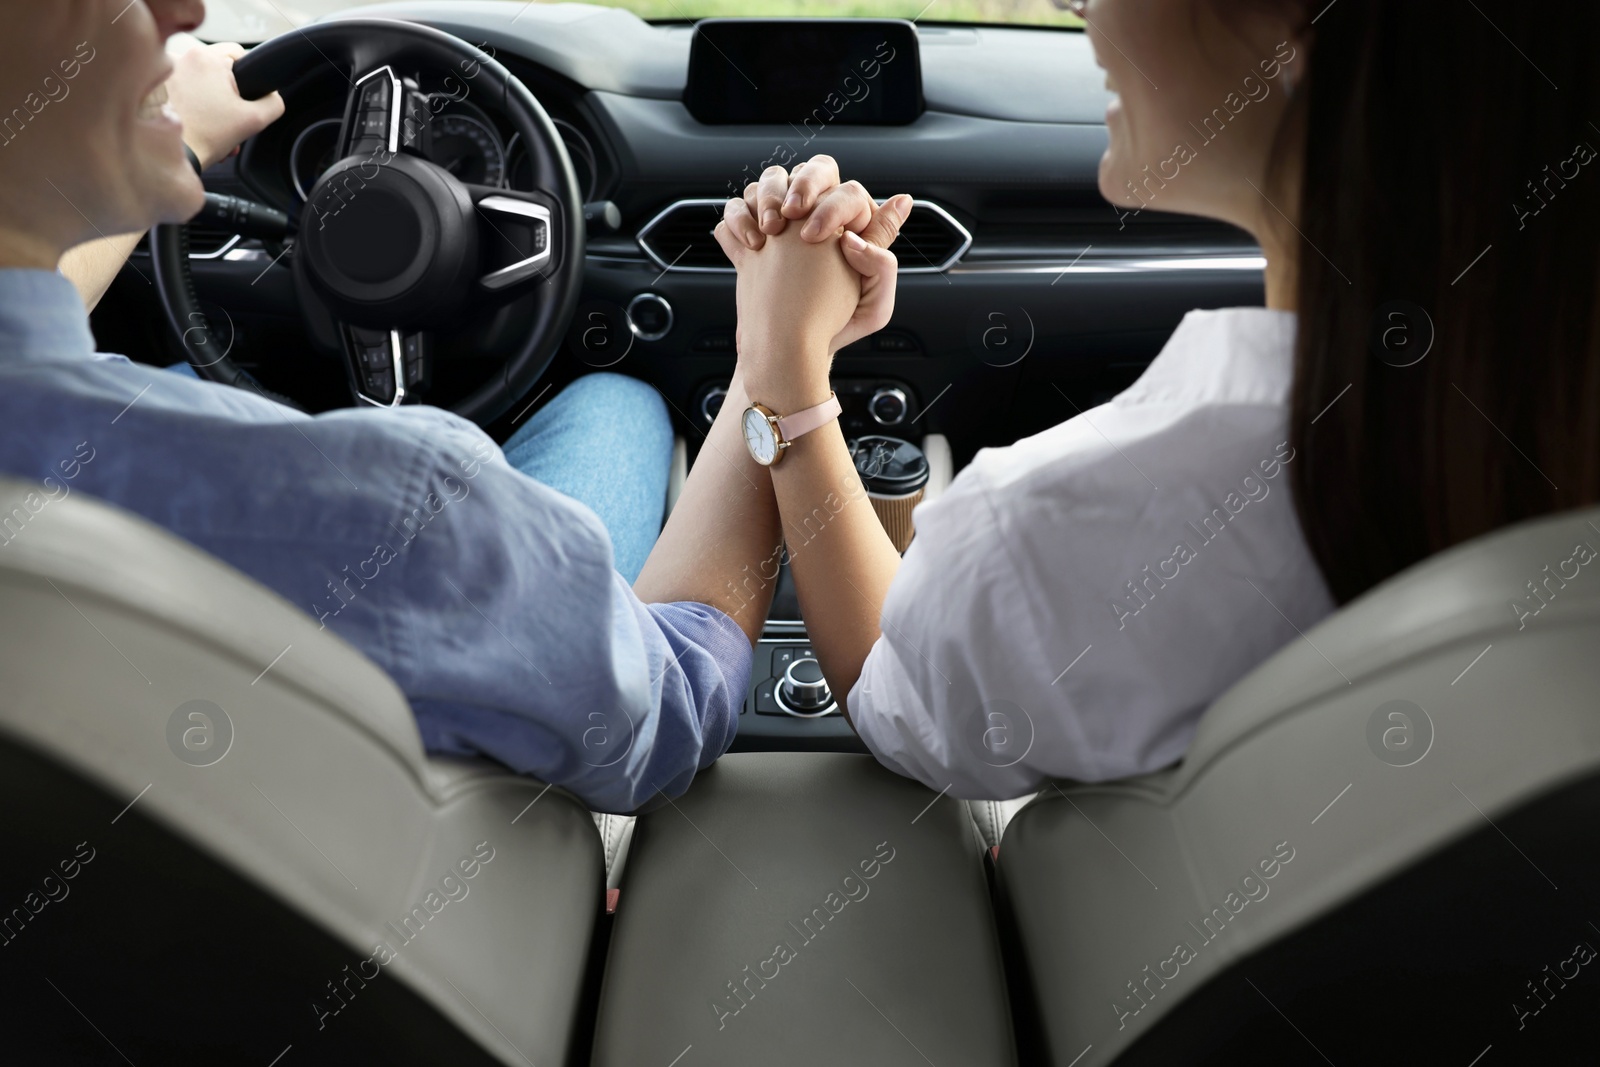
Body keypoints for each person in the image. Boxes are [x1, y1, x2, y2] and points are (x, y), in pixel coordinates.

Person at [713, 0, 1600, 799]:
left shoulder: (1062, 528)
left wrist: (787, 361)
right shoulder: (1521, 427)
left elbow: (887, 688)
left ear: (1297, 33)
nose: (1074, 6)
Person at [0, 0, 789, 814]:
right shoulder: (406, 511)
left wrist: (172, 141)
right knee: (617, 401)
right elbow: (674, 713)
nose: (184, 10)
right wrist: (775, 362)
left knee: (186, 374)